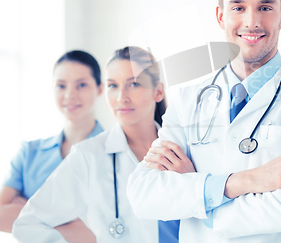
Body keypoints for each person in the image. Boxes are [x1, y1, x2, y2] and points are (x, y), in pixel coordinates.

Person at [127, 0, 281, 242]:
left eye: (265, 8)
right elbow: (144, 195)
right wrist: (247, 181)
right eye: (238, 7)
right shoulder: (189, 100)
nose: (251, 22)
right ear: (220, 16)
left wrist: (200, 199)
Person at [13, 47, 180, 243]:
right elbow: (27, 224)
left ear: (158, 91)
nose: (121, 98)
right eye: (112, 86)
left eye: (134, 84)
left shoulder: (182, 148)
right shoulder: (88, 156)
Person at [0, 50, 104, 241]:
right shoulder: (29, 152)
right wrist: (72, 222)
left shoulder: (113, 154)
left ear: (99, 89)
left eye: (81, 85)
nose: (69, 95)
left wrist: (29, 213)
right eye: (61, 85)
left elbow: (98, 234)